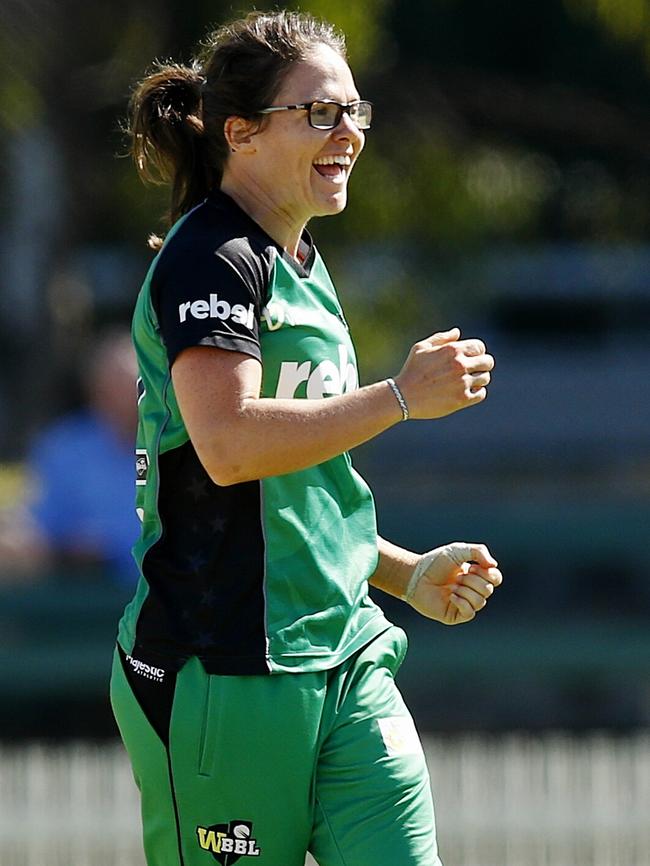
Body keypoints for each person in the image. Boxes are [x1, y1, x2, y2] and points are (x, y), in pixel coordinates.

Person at [110, 11, 501, 866]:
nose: (349, 134)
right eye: (321, 113)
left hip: (347, 656)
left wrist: (403, 575)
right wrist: (399, 396)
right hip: (223, 674)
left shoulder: (303, 263)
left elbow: (297, 496)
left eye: (355, 111)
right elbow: (229, 446)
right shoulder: (210, 257)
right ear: (240, 133)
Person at [0, 328, 140, 584]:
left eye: (137, 386)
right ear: (96, 391)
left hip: (171, 598)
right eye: (116, 387)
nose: (130, 397)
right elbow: (39, 526)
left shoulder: (183, 445)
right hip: (85, 600)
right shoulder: (64, 447)